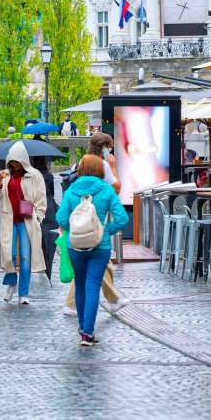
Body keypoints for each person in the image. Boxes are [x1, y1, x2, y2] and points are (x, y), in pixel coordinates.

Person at [57, 155, 128, 346]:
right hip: (100, 247)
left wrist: (74, 230)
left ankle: (83, 328)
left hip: (75, 246)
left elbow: (61, 218)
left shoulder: (71, 190)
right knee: (93, 285)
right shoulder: (106, 190)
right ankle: (87, 332)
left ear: (80, 170)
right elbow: (122, 218)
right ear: (101, 170)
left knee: (79, 285)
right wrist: (105, 231)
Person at [63, 133, 126, 316]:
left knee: (92, 262)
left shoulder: (82, 162)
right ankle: (108, 300)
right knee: (97, 260)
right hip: (95, 221)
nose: (111, 150)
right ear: (105, 147)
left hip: (79, 219)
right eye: (109, 146)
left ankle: (111, 299)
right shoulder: (102, 165)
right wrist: (113, 168)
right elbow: (116, 187)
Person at [0, 141, 47, 304]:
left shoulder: (34, 175)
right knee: (9, 254)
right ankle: (11, 283)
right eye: (11, 162)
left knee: (25, 257)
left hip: (27, 221)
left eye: (17, 162)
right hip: (9, 219)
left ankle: (24, 293)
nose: (14, 165)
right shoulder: (5, 175)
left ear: (23, 161)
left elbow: (41, 199)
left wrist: (38, 217)